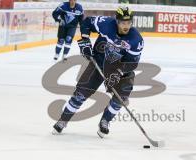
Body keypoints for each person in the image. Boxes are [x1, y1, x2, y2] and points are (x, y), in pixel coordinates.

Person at [52, 7, 144, 138]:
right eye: (123, 22)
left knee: (121, 97)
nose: (126, 25)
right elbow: (86, 22)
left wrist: (118, 72)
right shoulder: (105, 23)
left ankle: (105, 121)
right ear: (117, 21)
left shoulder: (136, 40)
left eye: (129, 22)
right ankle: (63, 120)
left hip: (120, 68)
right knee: (80, 94)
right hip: (99, 63)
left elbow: (133, 63)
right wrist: (85, 40)